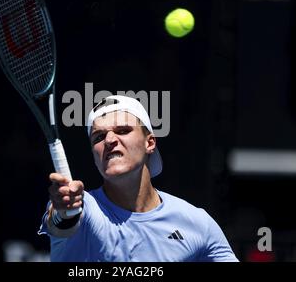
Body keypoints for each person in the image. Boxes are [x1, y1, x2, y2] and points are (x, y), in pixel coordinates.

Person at [39, 95, 238, 262]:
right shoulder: (84, 207)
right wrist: (66, 211)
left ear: (150, 143)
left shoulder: (197, 223)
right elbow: (62, 220)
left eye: (123, 131)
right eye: (98, 137)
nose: (109, 140)